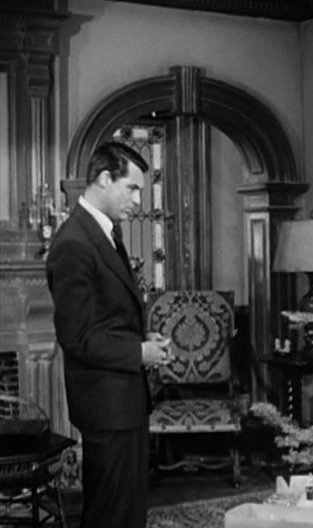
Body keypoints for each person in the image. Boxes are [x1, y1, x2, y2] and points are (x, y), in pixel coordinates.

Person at [46, 141, 172, 528]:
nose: (138, 200)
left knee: (126, 511)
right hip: (107, 404)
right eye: (131, 188)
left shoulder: (104, 233)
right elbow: (77, 337)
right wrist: (139, 353)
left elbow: (107, 317)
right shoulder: (74, 242)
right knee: (111, 514)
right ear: (104, 178)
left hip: (122, 400)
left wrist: (143, 338)